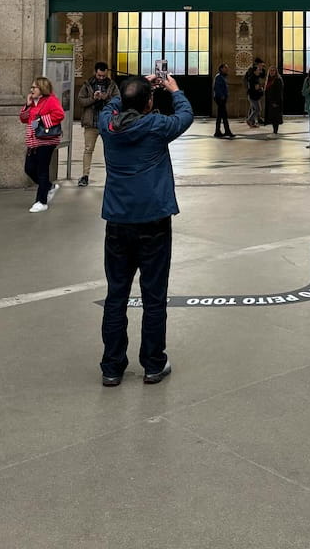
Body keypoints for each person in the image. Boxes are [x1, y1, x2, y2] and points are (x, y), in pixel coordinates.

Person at [97, 71, 193, 387]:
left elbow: (112, 106)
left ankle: (112, 366)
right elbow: (185, 116)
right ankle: (153, 363)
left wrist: (130, 89)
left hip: (118, 222)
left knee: (116, 294)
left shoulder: (107, 126)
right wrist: (173, 89)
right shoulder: (155, 127)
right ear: (150, 102)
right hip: (153, 220)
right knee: (154, 295)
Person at [19, 76, 65, 213]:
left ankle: (41, 201)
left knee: (42, 170)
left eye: (34, 87)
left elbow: (59, 114)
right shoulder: (33, 102)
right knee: (29, 168)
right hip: (33, 141)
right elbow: (23, 118)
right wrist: (27, 105)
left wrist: (41, 121)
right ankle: (48, 187)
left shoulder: (51, 100)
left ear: (42, 88)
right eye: (31, 87)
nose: (31, 90)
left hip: (46, 141)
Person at [76, 61, 119, 186]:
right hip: (91, 122)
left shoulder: (112, 85)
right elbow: (81, 100)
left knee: (110, 149)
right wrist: (93, 98)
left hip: (107, 123)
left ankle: (112, 175)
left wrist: (106, 97)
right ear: (95, 72)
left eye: (103, 76)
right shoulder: (88, 84)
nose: (101, 78)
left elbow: (118, 100)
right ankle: (85, 176)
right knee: (88, 149)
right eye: (99, 76)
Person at [212, 63, 236, 139]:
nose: (227, 69)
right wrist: (222, 96)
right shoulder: (219, 77)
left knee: (220, 115)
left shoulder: (222, 77)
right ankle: (227, 131)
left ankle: (217, 131)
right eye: (225, 68)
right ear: (221, 69)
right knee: (224, 115)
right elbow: (217, 88)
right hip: (220, 99)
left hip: (222, 98)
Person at [244, 58, 265, 127]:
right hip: (252, 93)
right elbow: (250, 82)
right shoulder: (252, 71)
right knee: (255, 108)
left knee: (254, 108)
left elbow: (262, 76)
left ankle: (252, 121)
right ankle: (250, 121)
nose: (261, 67)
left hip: (254, 93)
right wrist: (259, 87)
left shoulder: (257, 73)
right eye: (260, 65)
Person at [264, 65, 284, 135]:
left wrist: (276, 102)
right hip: (270, 101)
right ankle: (274, 130)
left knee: (275, 117)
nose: (272, 72)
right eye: (270, 70)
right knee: (272, 116)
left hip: (276, 101)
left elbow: (279, 92)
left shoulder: (278, 79)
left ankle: (275, 131)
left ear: (276, 72)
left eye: (273, 70)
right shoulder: (269, 80)